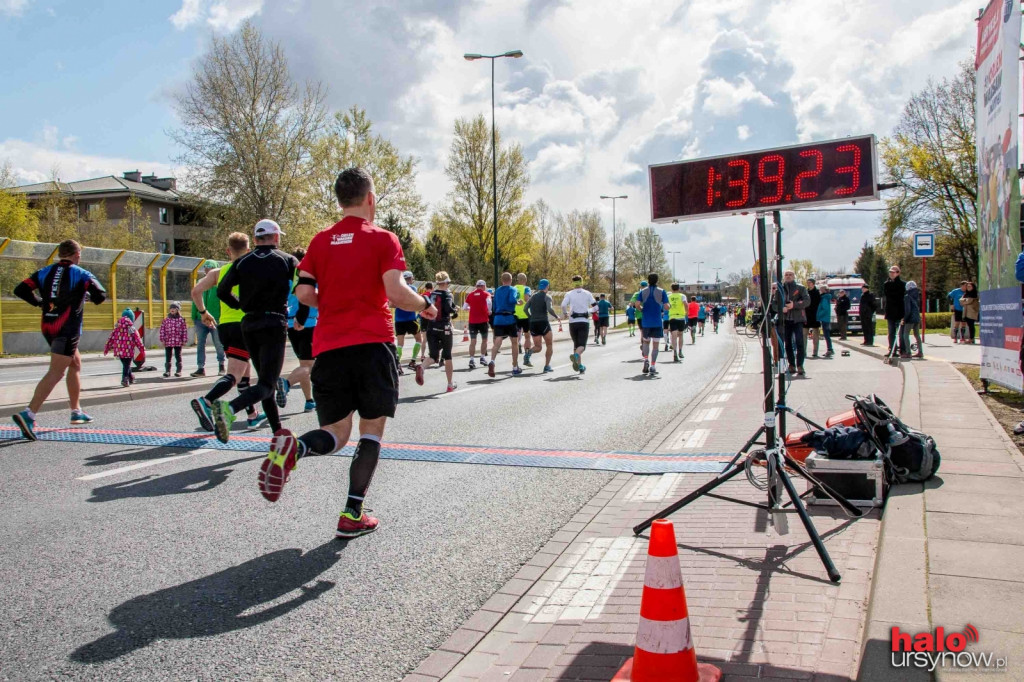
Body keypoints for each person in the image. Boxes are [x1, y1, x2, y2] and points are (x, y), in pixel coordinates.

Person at [257, 166, 438, 539]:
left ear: (340, 201)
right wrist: (425, 306)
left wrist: (334, 302)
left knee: (335, 433)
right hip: (372, 344)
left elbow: (304, 294)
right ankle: (352, 513)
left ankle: (297, 449)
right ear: (370, 199)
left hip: (329, 347)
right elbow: (395, 293)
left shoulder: (320, 241)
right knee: (370, 433)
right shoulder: (384, 239)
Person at [210, 219, 298, 444]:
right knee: (268, 383)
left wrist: (239, 305)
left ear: (256, 239)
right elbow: (302, 287)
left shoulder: (242, 262)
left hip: (249, 323)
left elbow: (222, 291)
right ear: (276, 237)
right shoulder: (287, 260)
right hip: (274, 322)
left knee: (264, 381)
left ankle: (277, 432)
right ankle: (229, 409)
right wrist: (302, 316)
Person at [11, 239, 107, 438]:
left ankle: (76, 411)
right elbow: (100, 295)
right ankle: (28, 414)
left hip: (48, 326)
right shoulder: (81, 273)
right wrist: (85, 296)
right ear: (77, 255)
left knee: (75, 363)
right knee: (56, 372)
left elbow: (20, 289)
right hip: (67, 328)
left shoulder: (44, 271)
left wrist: (39, 302)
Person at [189, 233, 266, 434]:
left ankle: (252, 415)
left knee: (244, 372)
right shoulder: (253, 270)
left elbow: (195, 292)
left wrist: (204, 313)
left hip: (225, 327)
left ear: (227, 251)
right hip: (245, 326)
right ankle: (206, 401)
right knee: (234, 374)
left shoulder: (218, 272)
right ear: (249, 250)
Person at [282, 247, 318, 413]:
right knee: (308, 366)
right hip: (308, 324)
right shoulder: (308, 278)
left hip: (290, 326)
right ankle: (286, 383)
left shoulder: (287, 279)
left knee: (304, 363)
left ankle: (309, 400)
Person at [420, 271, 459, 392]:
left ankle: (421, 368)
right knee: (447, 356)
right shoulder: (447, 294)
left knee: (433, 356)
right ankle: (450, 384)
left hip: (432, 326)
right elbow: (448, 308)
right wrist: (455, 309)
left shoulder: (431, 294)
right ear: (447, 282)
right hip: (444, 327)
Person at [190, 260, 225, 377]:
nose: (206, 269)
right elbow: (195, 299)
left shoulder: (220, 283)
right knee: (200, 344)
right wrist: (194, 316)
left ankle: (222, 365)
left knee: (218, 343)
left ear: (215, 268)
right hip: (200, 319)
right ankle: (200, 368)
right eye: (205, 267)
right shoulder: (200, 282)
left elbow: (223, 301)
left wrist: (221, 317)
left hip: (216, 319)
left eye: (209, 267)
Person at [635, 273, 669, 376]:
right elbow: (666, 306)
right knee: (655, 345)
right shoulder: (662, 291)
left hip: (646, 321)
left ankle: (646, 359)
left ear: (648, 280)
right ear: (657, 280)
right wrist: (667, 307)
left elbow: (637, 304)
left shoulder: (643, 291)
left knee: (646, 342)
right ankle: (653, 365)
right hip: (657, 321)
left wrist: (641, 309)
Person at [489, 272, 522, 377]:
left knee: (497, 342)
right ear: (511, 280)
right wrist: (518, 302)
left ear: (502, 280)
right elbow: (512, 299)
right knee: (514, 342)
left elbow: (494, 306)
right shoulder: (513, 289)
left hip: (498, 318)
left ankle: (492, 361)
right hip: (509, 318)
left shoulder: (497, 291)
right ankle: (515, 367)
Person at [525, 278, 561, 372]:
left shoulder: (532, 296)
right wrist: (556, 316)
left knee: (538, 347)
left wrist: (530, 317)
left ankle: (529, 353)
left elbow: (525, 309)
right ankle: (547, 366)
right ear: (547, 286)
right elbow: (549, 309)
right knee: (549, 345)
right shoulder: (547, 296)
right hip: (543, 323)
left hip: (533, 323)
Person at [562, 275, 596, 374]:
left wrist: (565, 313)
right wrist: (588, 311)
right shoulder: (587, 293)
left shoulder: (569, 294)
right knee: (582, 346)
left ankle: (579, 366)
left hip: (573, 321)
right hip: (584, 321)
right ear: (581, 282)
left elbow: (563, 305)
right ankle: (576, 357)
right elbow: (596, 307)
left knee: (576, 345)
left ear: (573, 283)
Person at [104, 309, 144, 387]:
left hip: (119, 350)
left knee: (126, 365)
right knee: (127, 365)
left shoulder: (117, 328)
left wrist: (107, 348)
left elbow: (110, 338)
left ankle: (131, 377)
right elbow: (137, 339)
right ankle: (125, 379)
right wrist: (142, 349)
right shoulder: (131, 329)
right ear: (132, 318)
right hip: (128, 350)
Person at [393, 271, 422, 375]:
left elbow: (391, 304)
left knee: (400, 344)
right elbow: (417, 302)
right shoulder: (413, 288)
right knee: (419, 339)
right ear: (410, 279)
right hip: (411, 318)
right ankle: (413, 361)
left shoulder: (397, 289)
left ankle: (397, 365)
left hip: (399, 319)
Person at [780, 270, 809, 376]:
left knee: (799, 342)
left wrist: (794, 305)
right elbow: (774, 303)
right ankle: (791, 364)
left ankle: (800, 365)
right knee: (787, 344)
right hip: (785, 320)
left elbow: (807, 301)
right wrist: (781, 308)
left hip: (798, 320)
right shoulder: (780, 288)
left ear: (794, 276)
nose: (788, 276)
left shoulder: (800, 288)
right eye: (786, 275)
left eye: (790, 275)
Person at [464, 279, 491, 368]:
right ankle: (482, 357)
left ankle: (471, 359)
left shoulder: (470, 295)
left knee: (473, 341)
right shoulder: (486, 294)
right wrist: (489, 310)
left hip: (472, 321)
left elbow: (464, 307)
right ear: (484, 286)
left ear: (476, 286)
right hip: (483, 320)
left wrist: (471, 308)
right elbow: (489, 302)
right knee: (484, 340)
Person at [159, 302, 188, 378]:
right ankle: (167, 371)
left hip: (178, 341)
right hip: (168, 341)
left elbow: (184, 330)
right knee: (168, 356)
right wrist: (162, 339)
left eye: (174, 308)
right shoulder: (166, 319)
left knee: (178, 355)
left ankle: (178, 371)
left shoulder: (181, 320)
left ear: (177, 310)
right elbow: (162, 329)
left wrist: (184, 340)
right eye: (171, 308)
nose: (172, 310)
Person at [883, 265, 907, 356]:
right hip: (890, 312)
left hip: (900, 311)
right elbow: (888, 295)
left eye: (893, 272)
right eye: (890, 272)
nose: (891, 274)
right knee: (891, 332)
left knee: (901, 333)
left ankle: (903, 350)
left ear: (898, 273)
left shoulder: (903, 284)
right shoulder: (886, 284)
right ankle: (892, 350)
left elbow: (901, 297)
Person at [514, 273, 534, 366]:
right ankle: (526, 356)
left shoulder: (514, 288)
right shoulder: (526, 288)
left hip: (515, 315)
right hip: (525, 316)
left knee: (516, 337)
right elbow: (526, 298)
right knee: (527, 336)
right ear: (525, 280)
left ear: (518, 280)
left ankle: (515, 362)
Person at [667, 283, 688, 362]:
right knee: (681, 335)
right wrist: (686, 312)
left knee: (674, 336)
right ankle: (680, 351)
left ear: (671, 289)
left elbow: (666, 306)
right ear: (679, 288)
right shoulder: (682, 296)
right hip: (681, 317)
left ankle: (674, 352)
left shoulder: (669, 296)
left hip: (672, 317)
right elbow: (686, 304)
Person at [903, 280, 924, 359]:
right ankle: (920, 351)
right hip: (917, 317)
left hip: (910, 318)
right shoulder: (917, 296)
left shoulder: (907, 296)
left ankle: (908, 352)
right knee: (917, 335)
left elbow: (908, 309)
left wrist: (905, 318)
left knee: (905, 334)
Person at [418, 281, 434, 365]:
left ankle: (422, 355)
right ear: (432, 288)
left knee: (424, 339)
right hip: (431, 318)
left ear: (425, 288)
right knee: (432, 338)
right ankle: (432, 355)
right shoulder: (433, 295)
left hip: (423, 318)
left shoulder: (422, 295)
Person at [816, 284, 834, 358]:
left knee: (826, 334)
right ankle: (830, 349)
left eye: (821, 289)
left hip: (824, 318)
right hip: (825, 318)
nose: (819, 291)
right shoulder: (825, 297)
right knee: (826, 334)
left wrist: (818, 316)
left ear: (824, 290)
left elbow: (825, 309)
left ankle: (830, 349)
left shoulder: (824, 298)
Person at [805, 277, 821, 358]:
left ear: (813, 283)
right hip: (806, 316)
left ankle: (815, 352)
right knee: (804, 335)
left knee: (815, 336)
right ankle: (803, 352)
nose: (808, 284)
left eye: (810, 282)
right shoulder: (805, 292)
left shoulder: (817, 293)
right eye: (807, 282)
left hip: (815, 316)